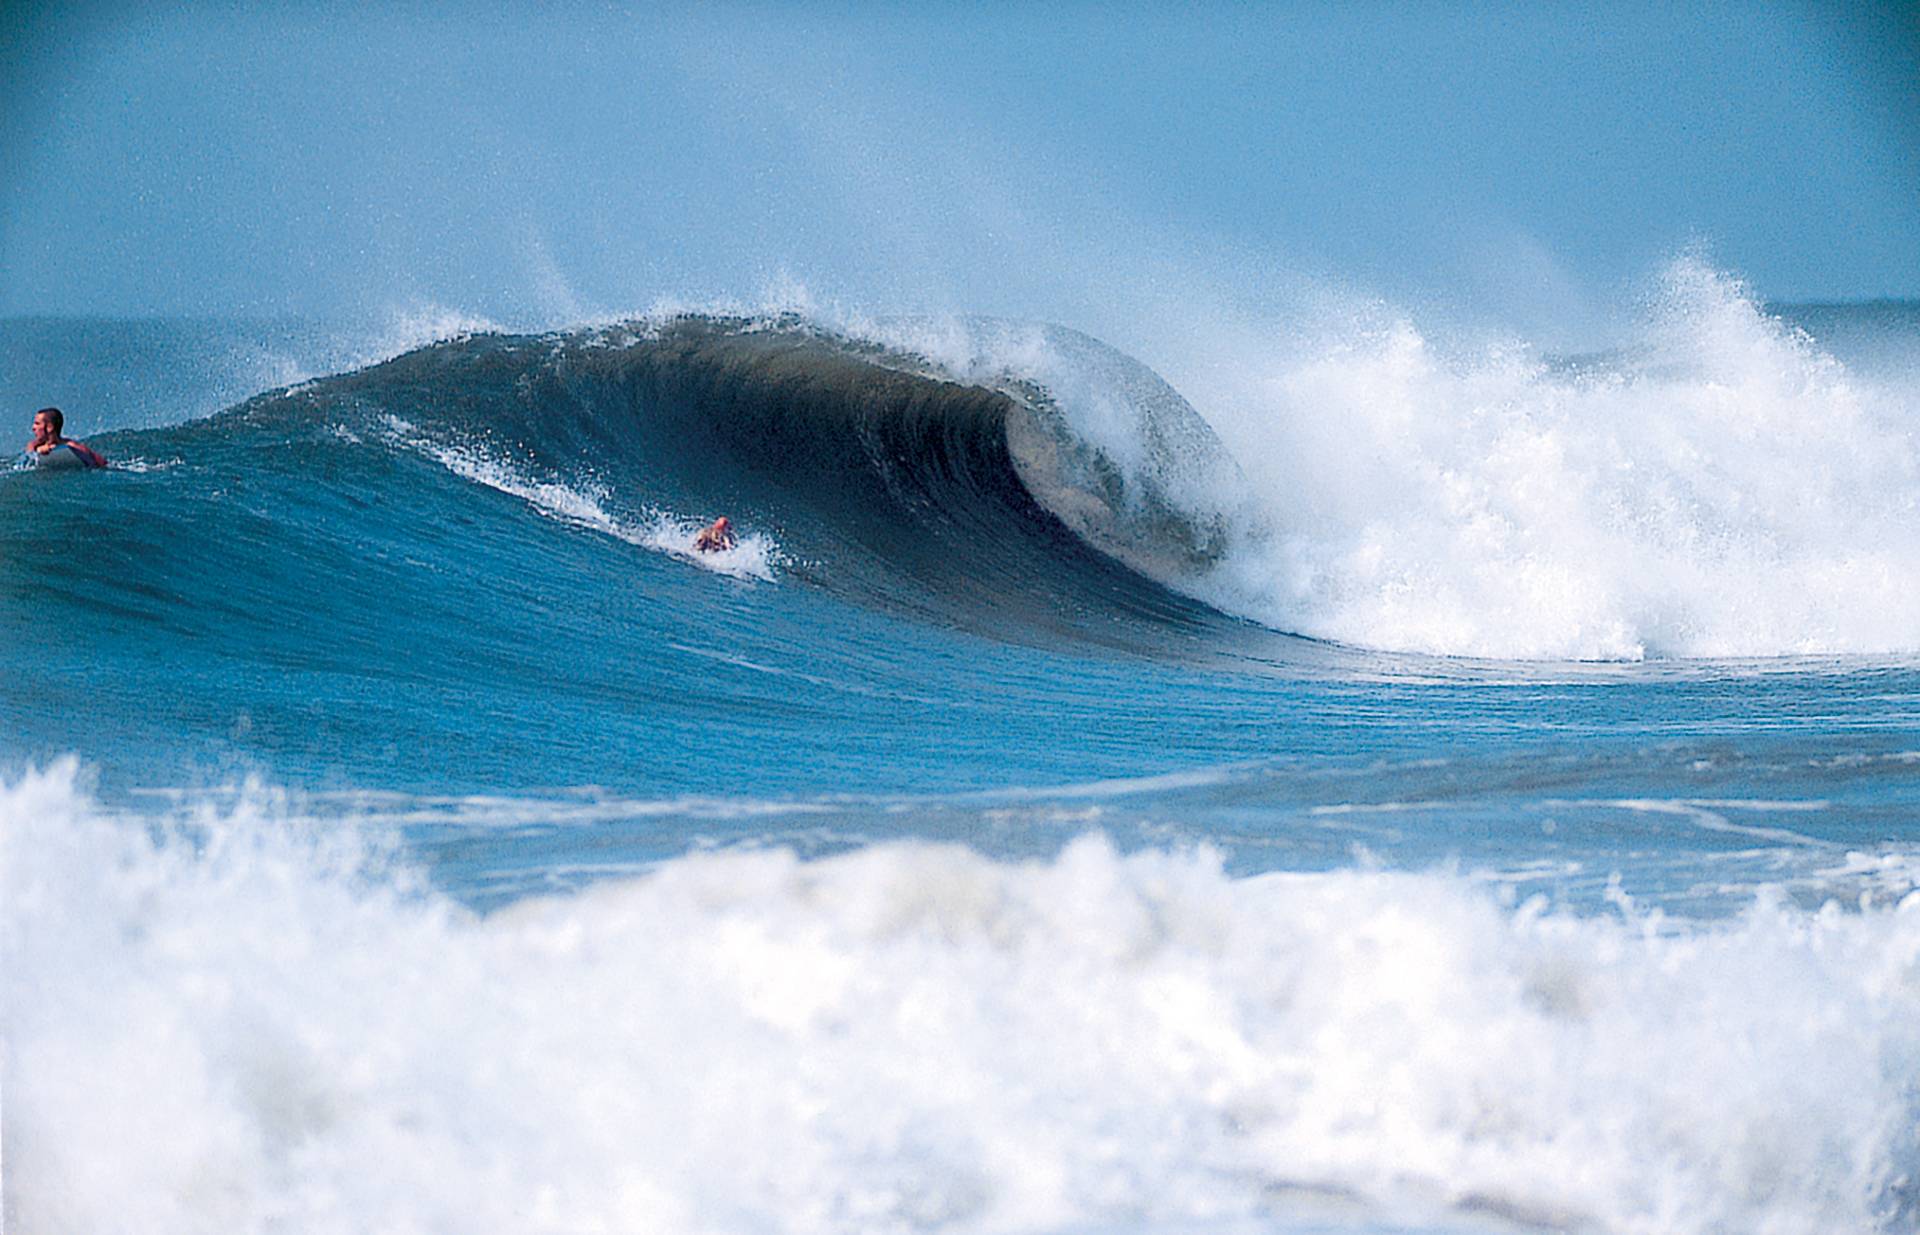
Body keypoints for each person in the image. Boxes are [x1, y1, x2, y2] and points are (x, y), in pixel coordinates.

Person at [24, 407, 107, 469]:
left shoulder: (73, 447)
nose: (33, 428)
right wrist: (39, 451)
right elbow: (28, 459)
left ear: (49, 427)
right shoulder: (33, 445)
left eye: (37, 424)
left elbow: (99, 463)